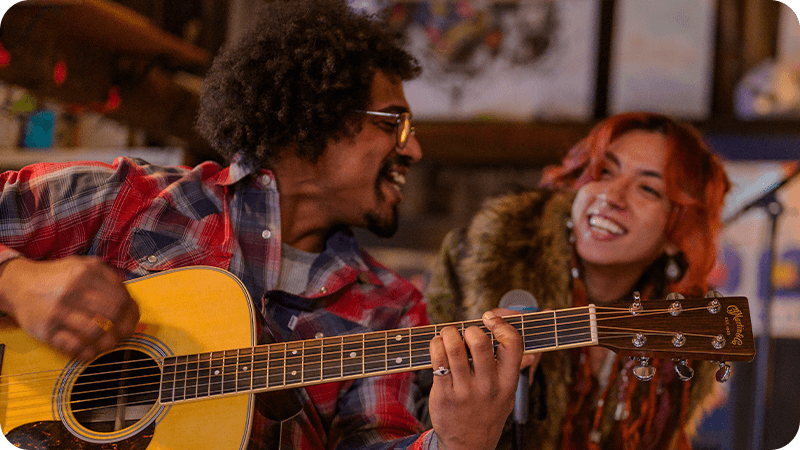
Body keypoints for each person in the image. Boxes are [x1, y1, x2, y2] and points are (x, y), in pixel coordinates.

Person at [0, 1, 524, 449]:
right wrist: (17, 282)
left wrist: (454, 441)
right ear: (315, 116)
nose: (414, 148)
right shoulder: (130, 199)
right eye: (396, 123)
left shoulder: (391, 308)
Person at [423, 111, 732, 450]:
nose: (611, 196)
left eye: (648, 188)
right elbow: (414, 424)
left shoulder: (686, 328)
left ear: (679, 233)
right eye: (604, 172)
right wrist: (482, 389)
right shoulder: (474, 260)